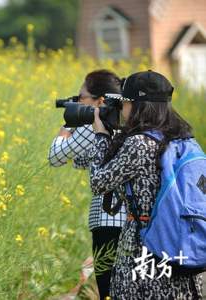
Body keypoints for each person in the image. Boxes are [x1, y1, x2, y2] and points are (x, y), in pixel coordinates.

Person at [90, 70, 203, 299]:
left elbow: (98, 182)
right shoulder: (184, 140)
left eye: (125, 104)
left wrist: (101, 137)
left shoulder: (139, 144)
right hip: (181, 247)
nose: (122, 110)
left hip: (145, 246)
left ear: (136, 105)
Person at [48, 69, 126, 300]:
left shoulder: (93, 124)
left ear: (100, 101)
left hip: (107, 221)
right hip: (132, 222)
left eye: (82, 97)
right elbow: (88, 160)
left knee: (108, 289)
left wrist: (69, 122)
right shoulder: (125, 120)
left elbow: (55, 156)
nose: (78, 100)